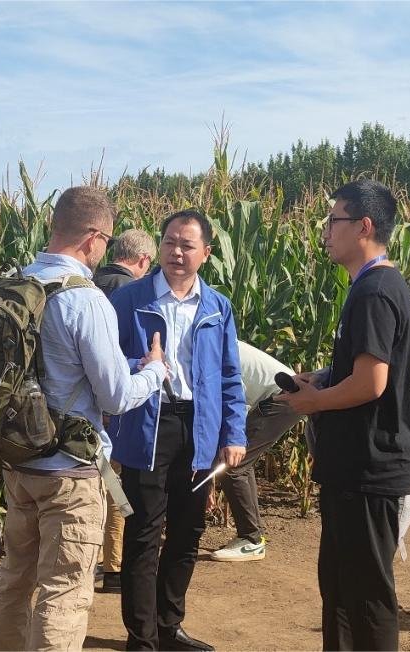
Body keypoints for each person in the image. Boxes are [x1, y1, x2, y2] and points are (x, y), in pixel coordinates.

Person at [0, 186, 167, 651]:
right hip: (70, 470)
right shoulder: (84, 300)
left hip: (19, 461)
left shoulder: (14, 285)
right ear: (93, 237)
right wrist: (153, 372)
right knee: (64, 592)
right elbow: (115, 397)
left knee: (14, 581)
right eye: (106, 240)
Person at [275, 179, 410, 651]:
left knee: (366, 597)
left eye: (333, 220)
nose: (326, 231)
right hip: (353, 469)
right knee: (339, 589)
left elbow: (371, 384)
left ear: (364, 226)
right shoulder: (371, 286)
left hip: (367, 469)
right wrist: (323, 378)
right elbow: (365, 370)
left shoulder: (375, 291)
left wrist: (313, 402)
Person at [109, 209, 248, 652]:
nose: (176, 252)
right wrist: (140, 365)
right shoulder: (130, 300)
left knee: (188, 533)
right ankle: (142, 638)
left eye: (187, 245)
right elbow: (104, 361)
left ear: (206, 253)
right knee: (144, 534)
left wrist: (234, 434)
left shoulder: (217, 307)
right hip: (148, 426)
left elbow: (229, 376)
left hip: (199, 427)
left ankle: (169, 628)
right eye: (169, 242)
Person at [92, 228, 156, 593]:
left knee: (93, 483)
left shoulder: (87, 283)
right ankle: (114, 566)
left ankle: (93, 559)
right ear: (144, 260)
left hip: (81, 405)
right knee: (116, 487)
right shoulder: (130, 293)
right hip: (119, 404)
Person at [210, 341, 303, 562]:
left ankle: (251, 540)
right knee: (239, 462)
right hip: (279, 395)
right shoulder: (213, 341)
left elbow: (236, 396)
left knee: (234, 464)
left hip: (281, 397)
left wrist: (232, 441)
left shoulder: (213, 348)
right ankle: (252, 536)